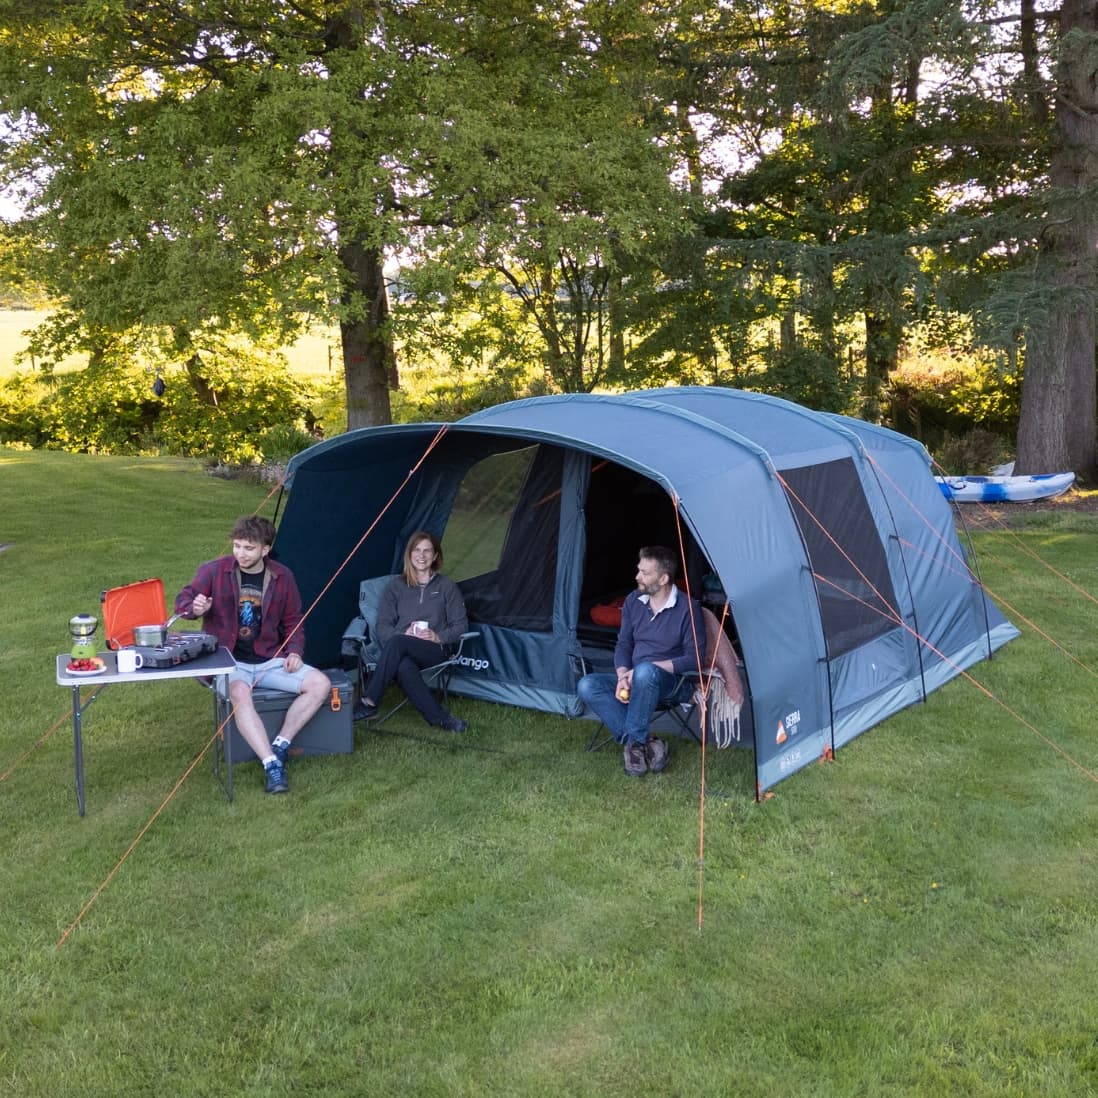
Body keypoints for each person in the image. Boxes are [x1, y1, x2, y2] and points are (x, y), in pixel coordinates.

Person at [175, 515, 331, 795]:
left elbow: (294, 618)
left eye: (248, 548)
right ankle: (271, 765)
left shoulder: (282, 577)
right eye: (237, 546)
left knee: (321, 685)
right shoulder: (213, 571)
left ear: (265, 549)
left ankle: (281, 744)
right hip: (228, 661)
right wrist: (195, 609)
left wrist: (294, 651)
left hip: (269, 658)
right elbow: (184, 601)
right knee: (239, 693)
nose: (240, 553)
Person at [577, 545, 703, 777]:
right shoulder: (634, 601)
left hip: (671, 684)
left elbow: (695, 658)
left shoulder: (688, 609)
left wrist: (650, 669)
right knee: (587, 684)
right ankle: (645, 743)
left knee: (645, 671)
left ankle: (634, 749)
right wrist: (623, 674)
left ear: (663, 578)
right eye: (639, 570)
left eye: (645, 572)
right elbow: (624, 644)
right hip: (635, 678)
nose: (637, 577)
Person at [356, 530, 469, 733]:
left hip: (435, 650)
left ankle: (369, 701)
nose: (421, 555)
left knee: (398, 644)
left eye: (427, 551)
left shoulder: (446, 587)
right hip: (400, 648)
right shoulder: (395, 587)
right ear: (409, 555)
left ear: (435, 556)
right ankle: (443, 720)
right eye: (416, 550)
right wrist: (403, 636)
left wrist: (438, 636)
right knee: (403, 666)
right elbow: (383, 626)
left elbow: (461, 625)